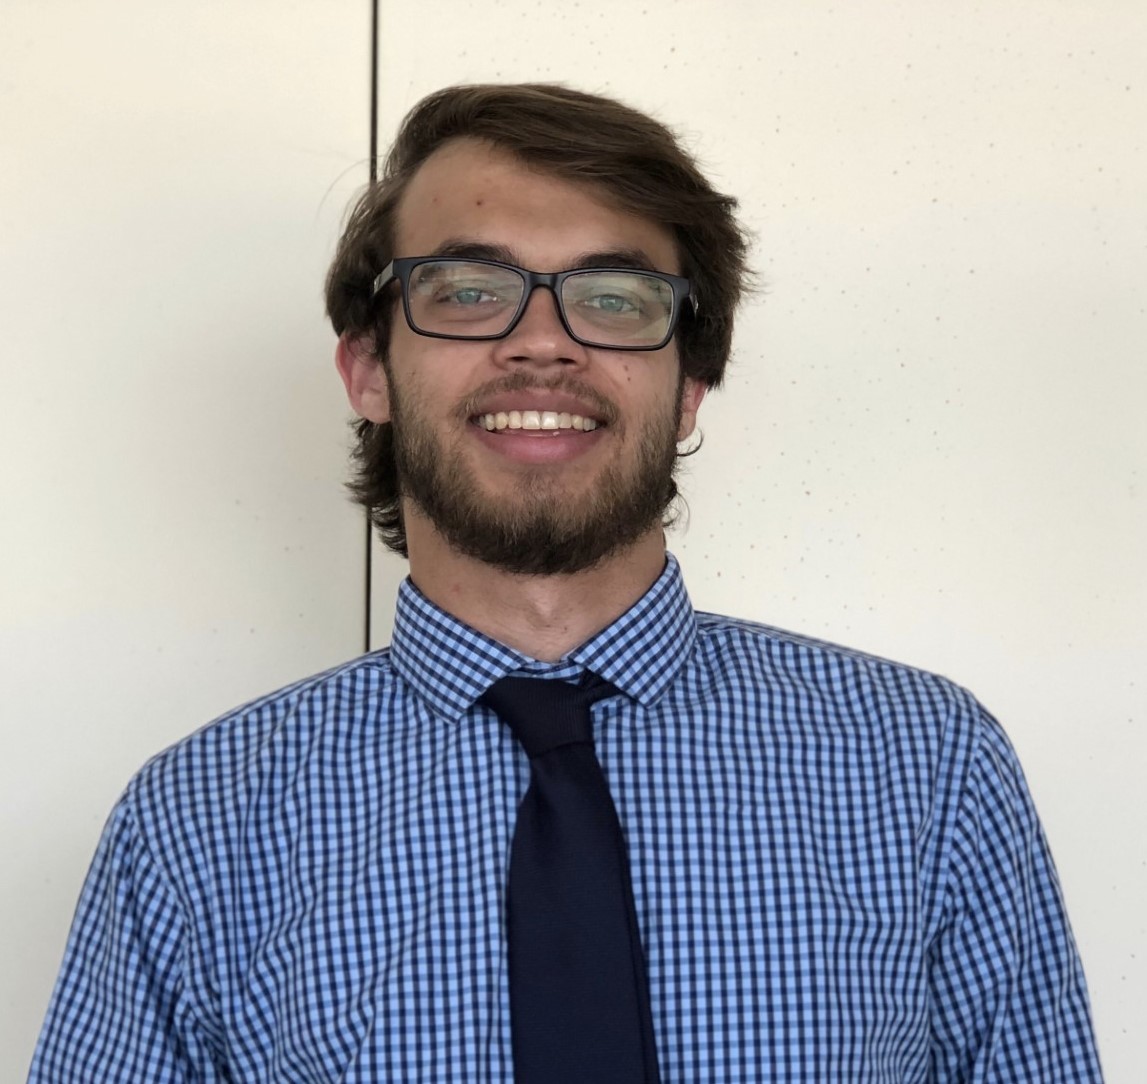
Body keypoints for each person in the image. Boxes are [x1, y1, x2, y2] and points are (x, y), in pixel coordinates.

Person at [30, 83, 1102, 1082]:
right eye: (467, 291)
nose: (541, 344)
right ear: (368, 370)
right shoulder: (197, 825)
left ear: (689, 383)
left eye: (614, 297)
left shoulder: (926, 767)